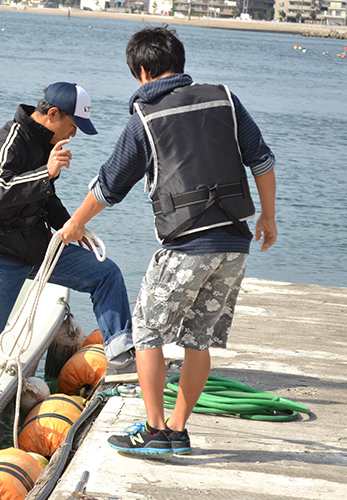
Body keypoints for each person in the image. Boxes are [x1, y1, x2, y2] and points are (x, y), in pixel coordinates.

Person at [60, 27, 278, 455]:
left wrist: (75, 224)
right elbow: (263, 159)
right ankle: (177, 431)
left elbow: (108, 186)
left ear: (142, 71)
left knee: (146, 333)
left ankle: (156, 430)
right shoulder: (226, 99)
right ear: (178, 63)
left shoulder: (145, 118)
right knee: (199, 339)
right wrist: (268, 217)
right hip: (234, 244)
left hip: (186, 247)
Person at [0, 82, 136, 400]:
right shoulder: (11, 139)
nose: (73, 135)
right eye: (72, 126)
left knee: (105, 273)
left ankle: (122, 364)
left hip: (35, 248)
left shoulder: (46, 143)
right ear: (54, 114)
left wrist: (73, 225)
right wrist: (45, 173)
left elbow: (45, 200)